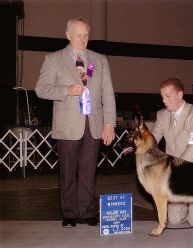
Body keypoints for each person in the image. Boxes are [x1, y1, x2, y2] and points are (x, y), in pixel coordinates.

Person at [35, 18, 116, 228]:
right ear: (68, 35)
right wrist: (66, 90)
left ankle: (87, 211)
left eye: (86, 35)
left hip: (94, 124)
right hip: (67, 125)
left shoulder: (99, 60)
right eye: (79, 35)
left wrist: (110, 124)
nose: (83, 39)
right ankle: (69, 213)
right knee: (68, 172)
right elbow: (41, 89)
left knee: (89, 171)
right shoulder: (53, 59)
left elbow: (108, 94)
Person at [152, 78, 193, 227]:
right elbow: (152, 141)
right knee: (175, 220)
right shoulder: (161, 115)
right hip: (175, 174)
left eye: (167, 96)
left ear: (180, 94)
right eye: (162, 96)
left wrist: (174, 168)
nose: (164, 100)